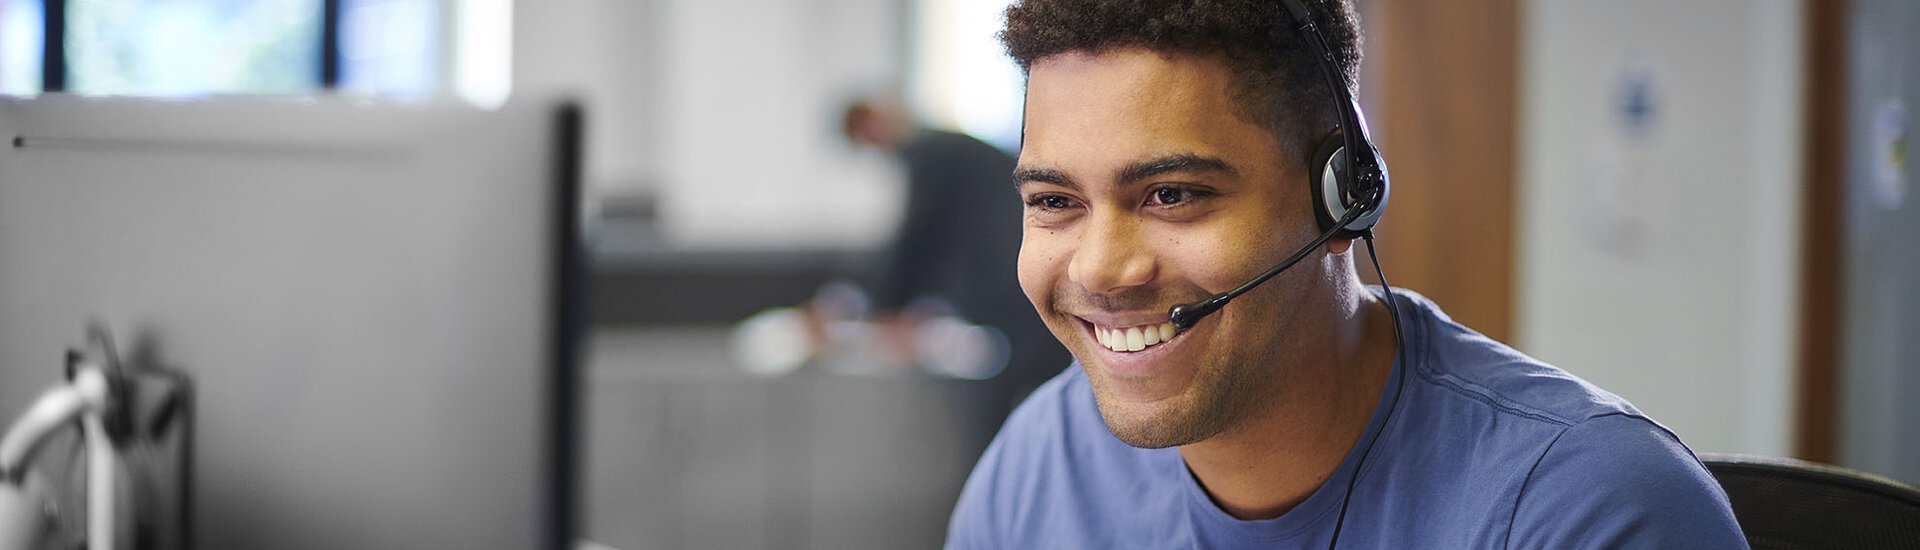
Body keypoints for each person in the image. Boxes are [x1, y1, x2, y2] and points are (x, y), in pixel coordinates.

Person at [944, 1, 1747, 548]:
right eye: (1054, 201)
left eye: (1173, 195)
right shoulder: (1038, 468)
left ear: (1342, 196)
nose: (1101, 268)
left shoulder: (1586, 509)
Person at [838, 97, 1072, 423]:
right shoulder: (947, 149)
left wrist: (880, 305)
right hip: (1022, 279)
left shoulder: (930, 153)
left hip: (1009, 289)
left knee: (1004, 403)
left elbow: (915, 239)